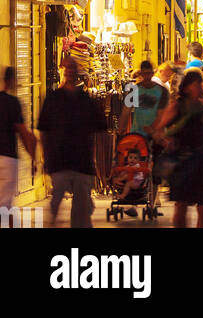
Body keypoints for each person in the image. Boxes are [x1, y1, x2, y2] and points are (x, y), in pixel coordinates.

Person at [37, 60, 107, 228]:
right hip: (59, 160)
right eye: (66, 68)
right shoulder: (53, 99)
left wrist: (101, 161)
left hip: (82, 162)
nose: (69, 72)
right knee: (55, 205)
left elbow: (101, 130)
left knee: (81, 210)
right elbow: (43, 130)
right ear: (62, 71)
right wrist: (44, 157)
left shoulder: (86, 100)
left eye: (72, 68)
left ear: (76, 72)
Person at [153, 70, 203, 228]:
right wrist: (167, 142)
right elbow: (158, 130)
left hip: (202, 161)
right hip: (183, 161)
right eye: (197, 84)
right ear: (188, 87)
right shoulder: (177, 106)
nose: (200, 88)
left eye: (200, 84)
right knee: (181, 206)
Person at [0, 66, 35, 210]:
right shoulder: (13, 103)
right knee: (6, 205)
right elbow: (23, 133)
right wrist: (33, 158)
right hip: (8, 159)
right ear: (12, 81)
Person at [118, 61, 169, 138]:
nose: (147, 76)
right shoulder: (135, 89)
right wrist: (121, 129)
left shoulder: (161, 91)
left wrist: (152, 129)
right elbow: (126, 110)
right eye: (145, 73)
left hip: (155, 134)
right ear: (141, 74)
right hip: (137, 133)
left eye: (148, 73)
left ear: (152, 73)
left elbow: (161, 115)